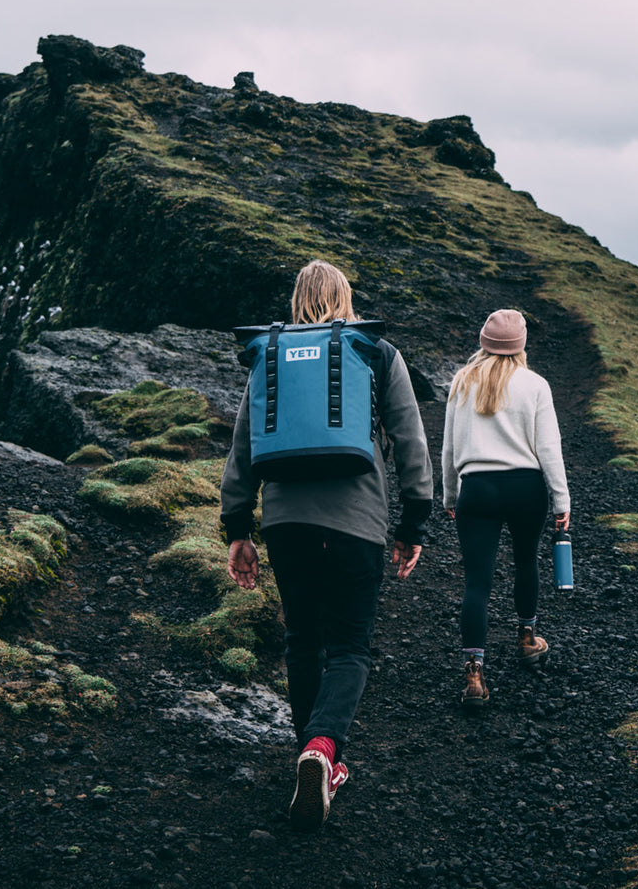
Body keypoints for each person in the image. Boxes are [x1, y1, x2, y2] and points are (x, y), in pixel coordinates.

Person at [221, 260, 433, 831]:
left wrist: (237, 527)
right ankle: (323, 749)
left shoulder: (270, 354)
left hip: (286, 522)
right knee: (349, 648)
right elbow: (410, 440)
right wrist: (414, 523)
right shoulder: (374, 351)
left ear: (297, 301)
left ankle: (309, 758)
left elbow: (243, 445)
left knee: (302, 639)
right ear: (345, 298)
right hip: (356, 522)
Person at [441, 308, 570, 708]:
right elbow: (548, 448)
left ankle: (474, 676)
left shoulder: (462, 382)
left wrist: (449, 496)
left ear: (484, 342)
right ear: (521, 345)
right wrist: (561, 500)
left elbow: (448, 447)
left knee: (476, 582)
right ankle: (528, 640)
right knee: (526, 562)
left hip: (476, 489)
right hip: (525, 488)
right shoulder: (535, 384)